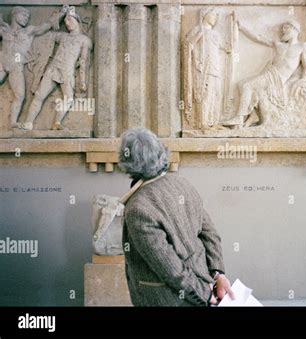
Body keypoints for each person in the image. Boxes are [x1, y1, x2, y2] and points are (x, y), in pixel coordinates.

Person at [118, 128, 234, 306]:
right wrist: (218, 275)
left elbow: (170, 269)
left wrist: (204, 294)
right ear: (160, 151)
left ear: (126, 161)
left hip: (167, 298)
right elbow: (211, 234)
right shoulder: (182, 184)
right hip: (203, 285)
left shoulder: (138, 208)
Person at [21, 6, 92, 131]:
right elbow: (48, 33)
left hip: (67, 72)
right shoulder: (63, 36)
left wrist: (82, 81)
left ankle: (57, 123)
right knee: (39, 95)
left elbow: (83, 62)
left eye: (70, 20)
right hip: (53, 69)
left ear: (77, 20)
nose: (67, 23)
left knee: (69, 99)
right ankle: (28, 123)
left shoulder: (84, 40)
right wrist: (61, 15)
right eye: (65, 22)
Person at [0, 6, 66, 128]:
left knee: (20, 96)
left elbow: (46, 26)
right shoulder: (5, 30)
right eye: (23, 15)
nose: (26, 18)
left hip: (16, 65)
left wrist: (61, 14)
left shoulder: (29, 31)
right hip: (1, 61)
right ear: (15, 15)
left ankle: (13, 123)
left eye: (28, 17)